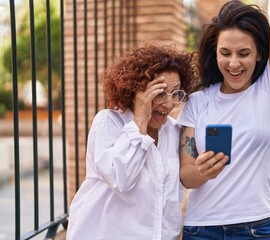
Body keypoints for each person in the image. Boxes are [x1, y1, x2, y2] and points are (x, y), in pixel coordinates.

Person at [177, 0, 270, 239]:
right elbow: (186, 176)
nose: (233, 63)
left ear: (259, 54)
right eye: (225, 53)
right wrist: (202, 171)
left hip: (258, 228)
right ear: (215, 53)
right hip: (201, 229)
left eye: (243, 53)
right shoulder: (198, 102)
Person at [66, 43, 198, 240]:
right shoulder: (108, 122)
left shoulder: (173, 130)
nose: (169, 103)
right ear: (136, 91)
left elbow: (171, 197)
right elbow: (121, 179)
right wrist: (140, 120)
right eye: (159, 93)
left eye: (176, 93)